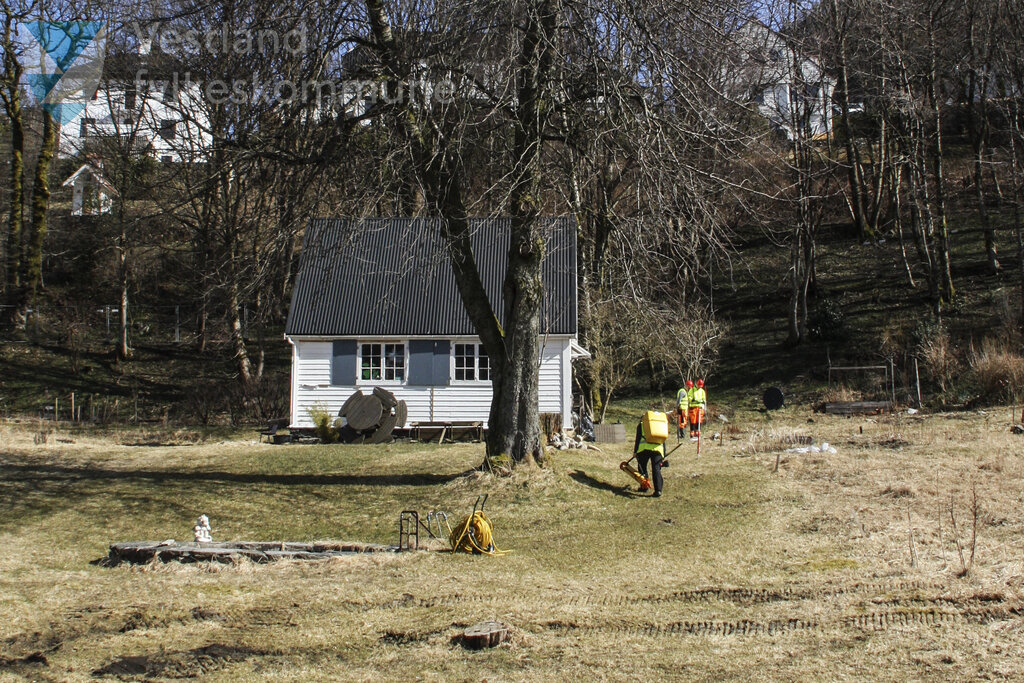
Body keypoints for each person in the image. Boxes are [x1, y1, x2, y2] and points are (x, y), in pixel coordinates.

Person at [633, 416, 666, 498]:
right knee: (656, 469)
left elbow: (638, 438)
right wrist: (664, 453)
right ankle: (658, 490)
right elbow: (663, 439)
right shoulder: (660, 424)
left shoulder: (641, 425)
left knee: (642, 468)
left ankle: (644, 486)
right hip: (658, 449)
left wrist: (635, 451)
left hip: (644, 449)